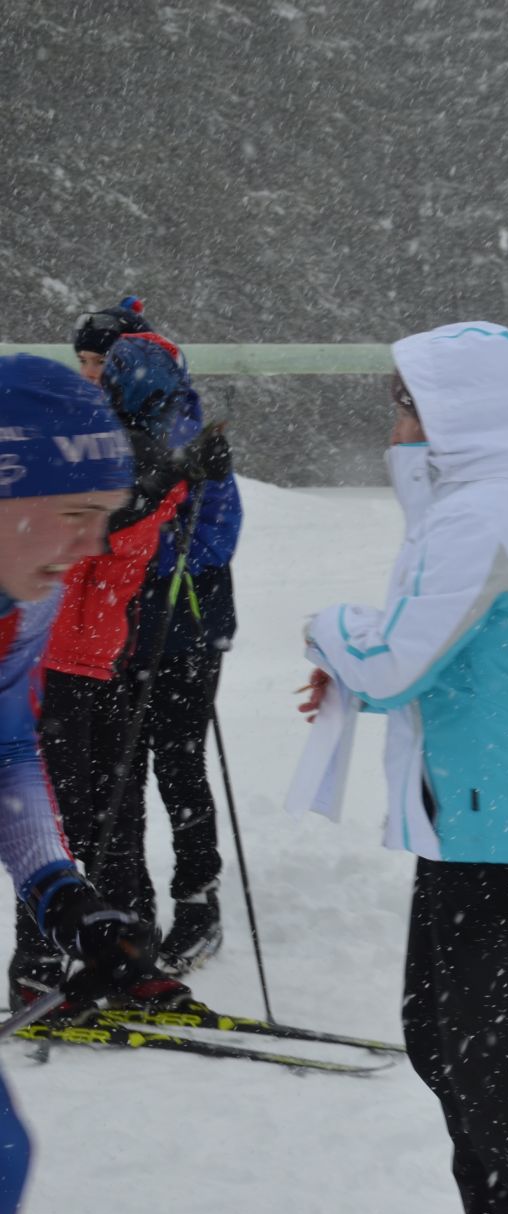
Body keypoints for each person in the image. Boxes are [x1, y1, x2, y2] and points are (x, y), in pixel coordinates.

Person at [298, 321, 508, 1214]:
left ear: (459, 417)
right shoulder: (465, 512)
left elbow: (391, 660)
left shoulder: (482, 520)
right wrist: (354, 659)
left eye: (409, 405)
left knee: (497, 1050)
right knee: (441, 1033)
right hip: (461, 817)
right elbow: (414, 648)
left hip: (495, 827)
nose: (396, 424)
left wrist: (325, 631)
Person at [0, 353, 195, 1214]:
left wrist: (61, 891)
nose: (90, 549)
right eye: (77, 516)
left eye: (104, 521)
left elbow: (8, 756)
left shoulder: (20, 603)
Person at [7, 328, 228, 1004]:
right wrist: (180, 471)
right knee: (61, 812)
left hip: (106, 661)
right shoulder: (94, 452)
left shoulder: (145, 454)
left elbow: (151, 518)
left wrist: (191, 473)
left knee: (118, 813)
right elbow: (116, 515)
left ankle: (129, 954)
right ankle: (39, 965)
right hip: (54, 663)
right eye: (163, 400)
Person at [79, 297, 243, 973]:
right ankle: (131, 905)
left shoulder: (184, 430)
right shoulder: (101, 428)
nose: (88, 375)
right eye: (83, 362)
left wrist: (155, 545)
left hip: (186, 631)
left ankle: (197, 899)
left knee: (178, 763)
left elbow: (216, 535)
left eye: (99, 362)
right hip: (121, 634)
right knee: (121, 769)